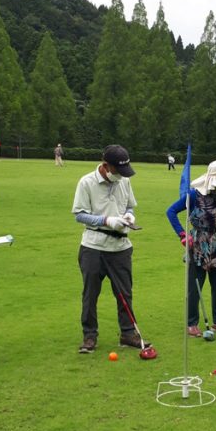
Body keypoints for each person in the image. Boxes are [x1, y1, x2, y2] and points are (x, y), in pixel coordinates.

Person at [72, 144, 146, 353]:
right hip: (93, 246)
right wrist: (106, 220)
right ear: (106, 166)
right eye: (118, 171)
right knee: (90, 294)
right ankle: (89, 336)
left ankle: (128, 333)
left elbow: (129, 205)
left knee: (125, 293)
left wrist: (129, 216)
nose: (121, 176)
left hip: (121, 246)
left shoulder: (124, 180)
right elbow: (79, 214)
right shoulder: (86, 182)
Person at [166, 159, 216, 336]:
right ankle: (191, 324)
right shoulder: (193, 195)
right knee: (195, 285)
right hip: (198, 244)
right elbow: (171, 211)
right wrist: (182, 235)